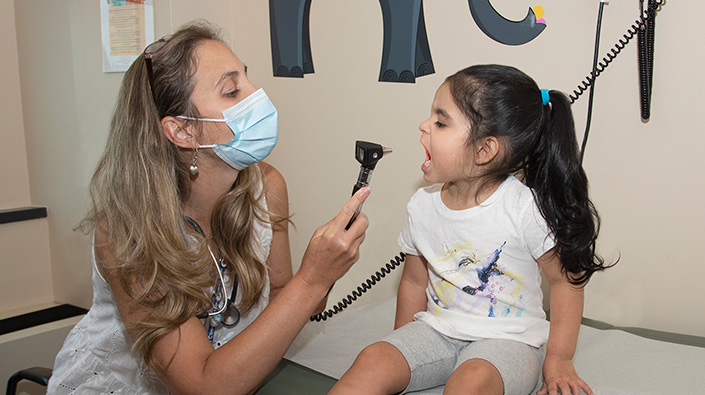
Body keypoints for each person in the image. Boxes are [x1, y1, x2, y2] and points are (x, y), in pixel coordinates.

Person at [47, 20, 369, 394]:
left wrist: (322, 274)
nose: (257, 95)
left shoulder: (267, 186)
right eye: (233, 91)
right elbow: (201, 385)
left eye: (247, 80)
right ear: (182, 131)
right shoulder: (126, 231)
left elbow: (283, 297)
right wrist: (313, 279)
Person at [330, 64, 613, 395]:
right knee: (372, 358)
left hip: (508, 342)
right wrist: (402, 349)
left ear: (484, 150)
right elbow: (413, 280)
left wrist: (560, 359)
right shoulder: (421, 205)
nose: (423, 125)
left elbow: (565, 281)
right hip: (437, 332)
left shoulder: (523, 208)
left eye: (440, 121)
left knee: (471, 382)